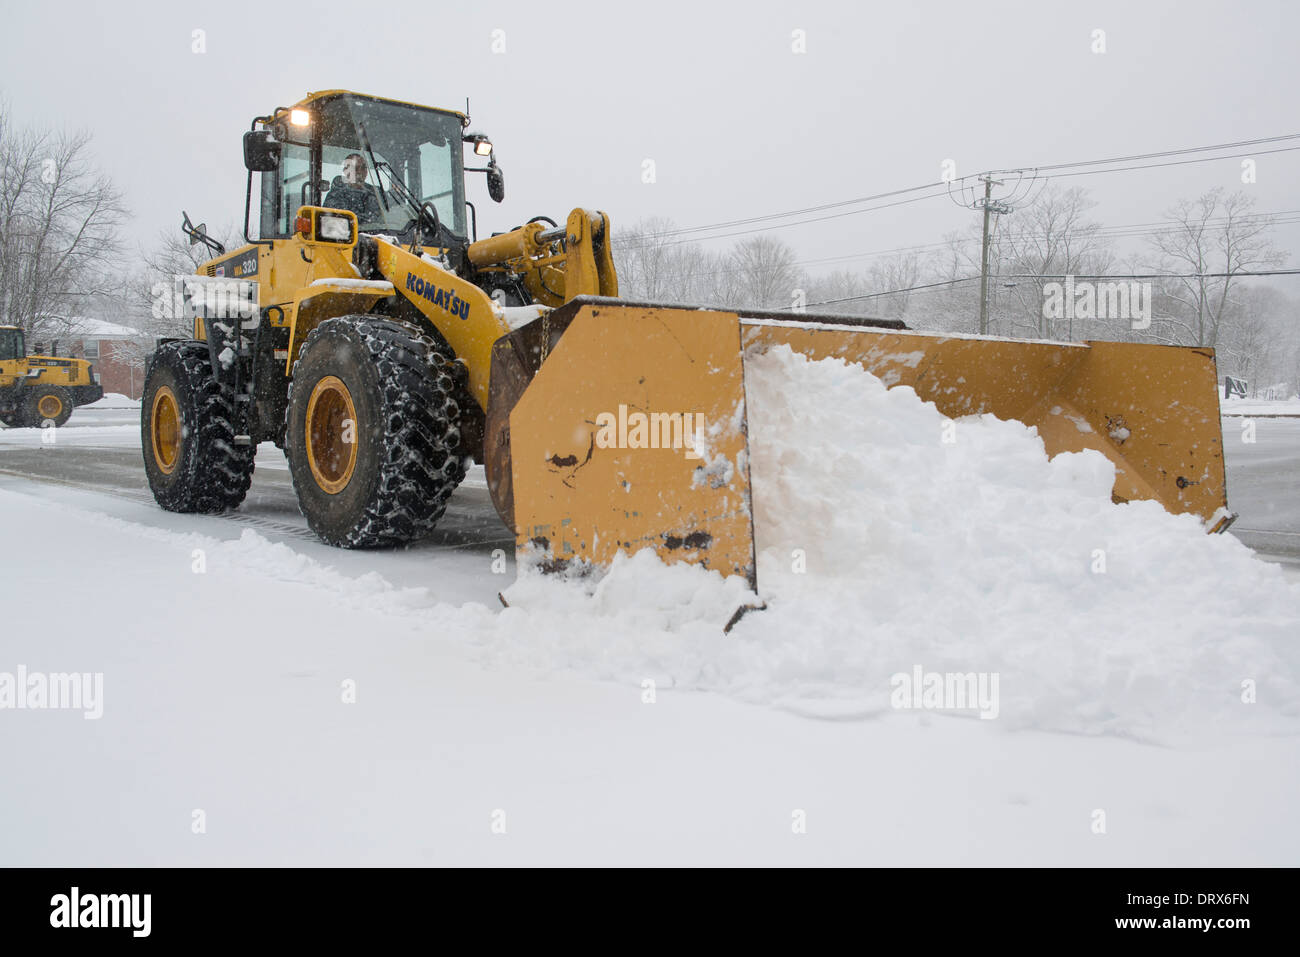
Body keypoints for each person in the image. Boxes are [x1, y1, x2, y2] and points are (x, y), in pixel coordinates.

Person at [324, 153, 383, 223]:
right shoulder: (335, 195)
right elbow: (339, 221)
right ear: (346, 171)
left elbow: (390, 213)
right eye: (355, 168)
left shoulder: (376, 194)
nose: (360, 172)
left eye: (363, 167)